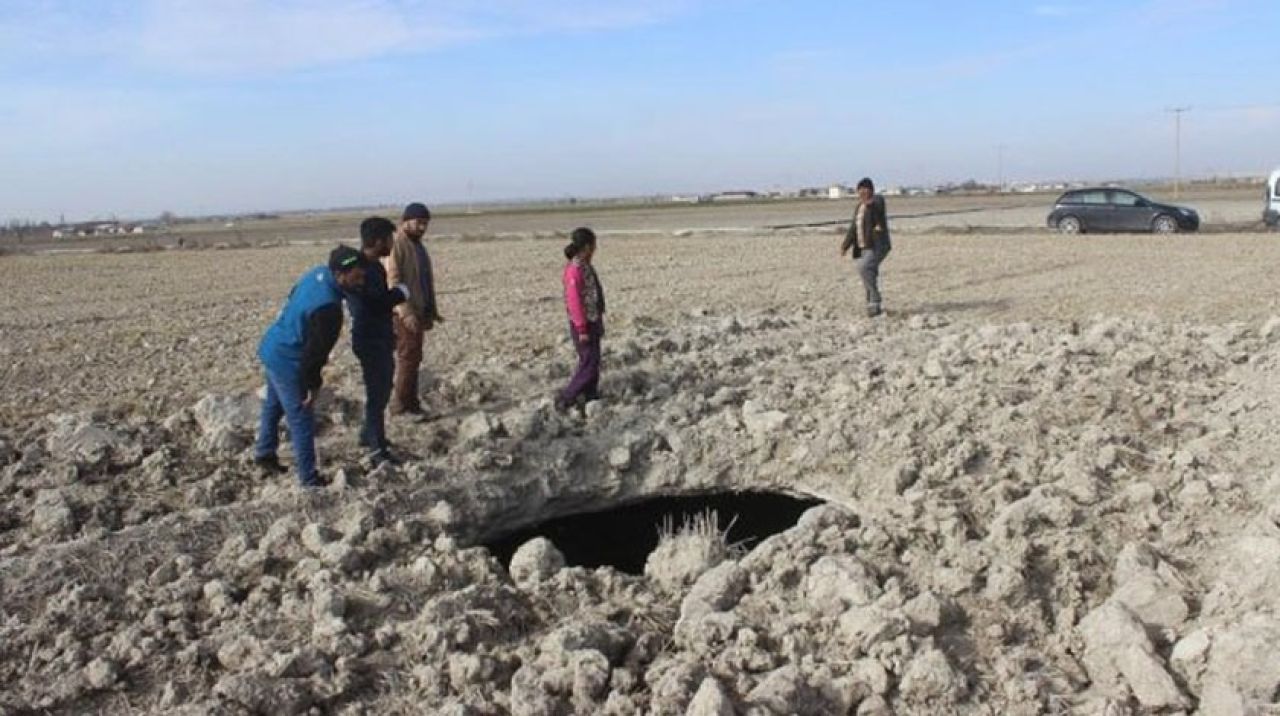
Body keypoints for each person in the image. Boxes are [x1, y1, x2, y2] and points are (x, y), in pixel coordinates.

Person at [254, 246, 366, 487]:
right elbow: (315, 355)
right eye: (356, 276)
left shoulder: (317, 273)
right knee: (302, 418)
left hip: (273, 346)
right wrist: (311, 386)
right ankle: (309, 479)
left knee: (273, 406)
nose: (361, 280)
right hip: (289, 359)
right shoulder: (329, 309)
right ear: (339, 275)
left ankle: (264, 453)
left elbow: (293, 296)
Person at [346, 217, 410, 462]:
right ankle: (377, 450)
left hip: (378, 336)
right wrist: (398, 294)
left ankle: (368, 435)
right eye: (389, 238)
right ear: (378, 240)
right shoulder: (362, 270)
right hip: (370, 339)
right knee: (378, 394)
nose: (392, 243)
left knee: (381, 391)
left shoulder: (371, 266)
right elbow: (370, 305)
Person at [384, 202, 443, 416]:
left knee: (414, 358)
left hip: (419, 311)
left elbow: (423, 280)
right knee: (408, 358)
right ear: (405, 221)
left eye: (425, 224)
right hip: (404, 314)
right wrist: (405, 311)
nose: (422, 227)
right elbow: (394, 280)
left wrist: (430, 310)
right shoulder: (398, 244)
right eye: (418, 222)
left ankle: (411, 402)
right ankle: (401, 405)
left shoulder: (417, 245)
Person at [556, 227, 606, 414]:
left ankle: (590, 395)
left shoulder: (585, 265)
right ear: (586, 247)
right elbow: (575, 301)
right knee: (588, 362)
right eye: (593, 245)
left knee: (594, 359)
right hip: (583, 324)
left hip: (592, 320)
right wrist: (582, 328)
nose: (595, 249)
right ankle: (566, 398)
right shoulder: (575, 270)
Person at [839, 177, 893, 317]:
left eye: (865, 189)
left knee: (863, 268)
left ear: (871, 190)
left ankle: (875, 300)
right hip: (862, 247)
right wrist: (845, 245)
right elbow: (853, 228)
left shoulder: (877, 201)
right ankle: (872, 305)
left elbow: (877, 206)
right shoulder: (859, 207)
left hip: (878, 245)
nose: (862, 192)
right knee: (868, 273)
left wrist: (870, 203)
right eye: (860, 190)